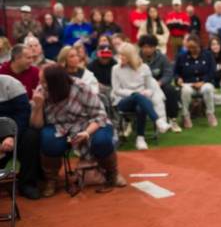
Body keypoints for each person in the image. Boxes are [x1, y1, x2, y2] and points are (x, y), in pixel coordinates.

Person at [30, 64, 126, 197]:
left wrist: (87, 132)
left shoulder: (80, 87)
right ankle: (51, 179)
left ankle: (112, 173)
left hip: (89, 123)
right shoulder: (41, 91)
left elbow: (99, 115)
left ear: (55, 82)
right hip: (58, 126)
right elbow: (36, 126)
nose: (40, 84)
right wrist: (37, 106)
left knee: (101, 140)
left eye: (43, 81)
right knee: (48, 140)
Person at [111, 43, 171, 150]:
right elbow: (116, 90)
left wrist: (147, 92)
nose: (121, 57)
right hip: (123, 101)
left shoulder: (144, 68)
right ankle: (158, 121)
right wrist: (133, 93)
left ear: (131, 56)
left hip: (141, 101)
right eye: (120, 55)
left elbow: (150, 87)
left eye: (124, 55)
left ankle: (140, 138)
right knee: (137, 96)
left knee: (140, 106)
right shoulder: (116, 69)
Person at [0, 74, 41, 199]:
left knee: (31, 137)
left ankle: (27, 184)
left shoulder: (11, 84)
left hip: (17, 130)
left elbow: (23, 113)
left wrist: (11, 135)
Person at [138, 35, 182, 133]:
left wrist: (161, 82)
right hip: (142, 87)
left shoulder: (162, 57)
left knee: (171, 90)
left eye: (150, 47)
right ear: (141, 47)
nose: (147, 49)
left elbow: (168, 73)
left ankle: (172, 120)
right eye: (145, 47)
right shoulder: (136, 58)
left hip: (160, 84)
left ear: (155, 47)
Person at [174, 34, 217, 128]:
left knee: (208, 89)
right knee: (185, 90)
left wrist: (203, 81)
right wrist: (178, 79)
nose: (192, 50)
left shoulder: (208, 55)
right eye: (189, 47)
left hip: (204, 83)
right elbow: (176, 72)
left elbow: (212, 72)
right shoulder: (181, 57)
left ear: (199, 44)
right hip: (188, 84)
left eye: (194, 47)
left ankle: (210, 113)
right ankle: (185, 116)